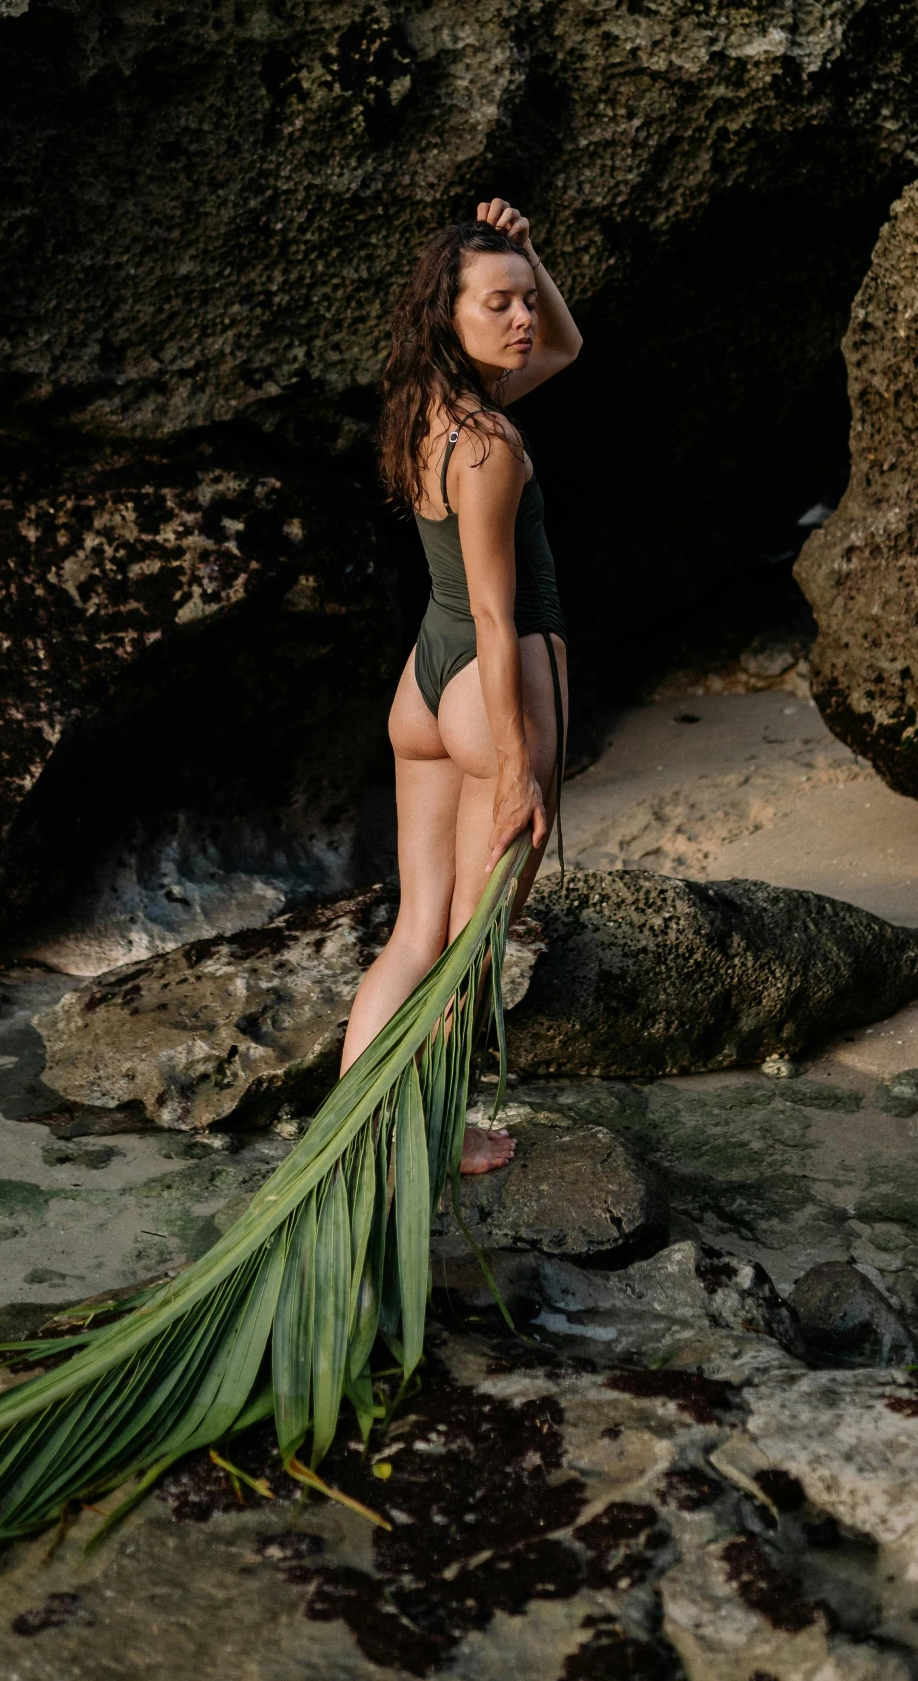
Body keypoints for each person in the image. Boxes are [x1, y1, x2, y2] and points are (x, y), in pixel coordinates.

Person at [339, 198, 581, 1173]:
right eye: (499, 303)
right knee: (470, 945)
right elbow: (493, 611)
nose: (523, 319)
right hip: (486, 692)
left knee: (416, 929)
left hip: (423, 689)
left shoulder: (430, 415)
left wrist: (524, 253)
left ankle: (360, 1124)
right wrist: (518, 769)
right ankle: (437, 1135)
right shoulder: (487, 444)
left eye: (524, 299)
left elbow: (566, 347)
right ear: (449, 316)